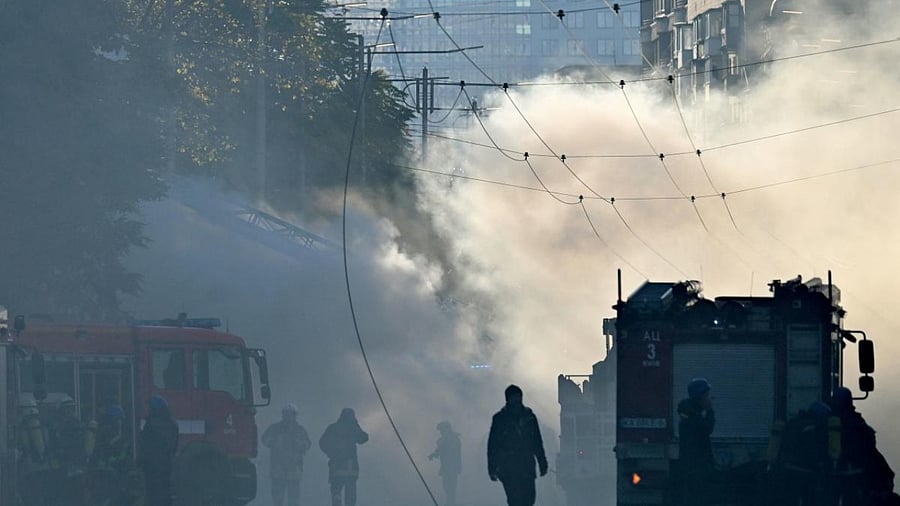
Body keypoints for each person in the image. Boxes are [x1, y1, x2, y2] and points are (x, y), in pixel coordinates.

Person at [828, 387, 895, 506]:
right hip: (854, 481)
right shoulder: (858, 424)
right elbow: (871, 454)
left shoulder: (824, 423)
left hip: (827, 479)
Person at [487, 385, 548, 506]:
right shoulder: (499, 419)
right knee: (514, 500)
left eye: (518, 397)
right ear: (507, 399)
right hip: (508, 467)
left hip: (526, 465)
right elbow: (492, 445)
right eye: (513, 397)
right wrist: (492, 467)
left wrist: (542, 462)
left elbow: (537, 441)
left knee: (529, 499)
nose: (516, 400)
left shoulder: (529, 417)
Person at [770, 401, 832, 506]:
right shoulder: (816, 427)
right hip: (805, 474)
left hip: (785, 471)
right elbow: (817, 453)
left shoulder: (792, 423)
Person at [89, 405, 143, 506]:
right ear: (114, 419)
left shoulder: (103, 431)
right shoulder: (110, 433)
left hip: (105, 473)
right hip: (109, 475)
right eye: (119, 420)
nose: (120, 423)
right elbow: (113, 453)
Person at [261, 403, 311, 506]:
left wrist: (301, 445)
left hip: (294, 468)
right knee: (277, 496)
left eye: (291, 414)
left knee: (294, 498)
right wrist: (273, 442)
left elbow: (307, 443)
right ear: (283, 415)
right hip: (278, 467)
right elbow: (265, 439)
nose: (288, 416)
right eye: (286, 414)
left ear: (295, 415)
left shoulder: (300, 430)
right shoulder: (275, 428)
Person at [676, 378, 716, 505]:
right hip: (694, 464)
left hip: (695, 463)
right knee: (695, 495)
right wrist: (710, 411)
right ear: (700, 397)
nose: (709, 398)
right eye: (707, 395)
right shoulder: (690, 415)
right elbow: (707, 428)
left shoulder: (690, 412)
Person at [319, 408, 369, 506]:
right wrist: (356, 426)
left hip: (336, 468)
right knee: (350, 497)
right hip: (350, 470)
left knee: (336, 494)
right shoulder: (353, 428)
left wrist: (331, 453)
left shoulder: (333, 428)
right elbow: (364, 438)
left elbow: (322, 443)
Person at [138, 395, 179, 506]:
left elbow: (144, 446)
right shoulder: (173, 425)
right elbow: (174, 447)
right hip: (166, 465)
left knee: (153, 494)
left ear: (154, 409)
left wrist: (140, 462)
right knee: (165, 491)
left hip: (151, 467)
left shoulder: (150, 425)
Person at [47, 398, 88, 506]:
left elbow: (72, 444)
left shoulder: (71, 424)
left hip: (72, 464)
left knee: (72, 493)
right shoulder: (71, 424)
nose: (69, 412)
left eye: (70, 409)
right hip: (71, 465)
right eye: (67, 409)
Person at [428, 421, 462, 506]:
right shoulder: (443, 440)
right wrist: (433, 455)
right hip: (445, 468)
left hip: (452, 468)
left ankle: (451, 504)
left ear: (447, 429)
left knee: (451, 489)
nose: (441, 432)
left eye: (442, 430)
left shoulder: (454, 440)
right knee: (446, 487)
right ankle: (449, 503)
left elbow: (453, 452)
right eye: (440, 431)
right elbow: (439, 450)